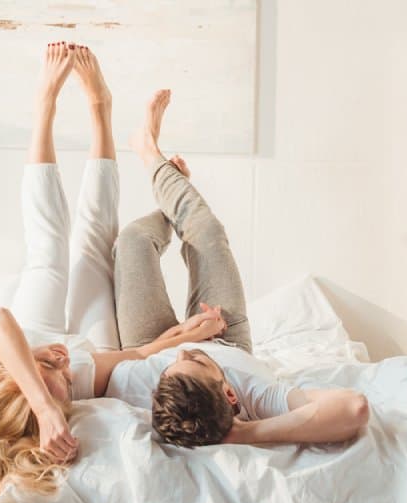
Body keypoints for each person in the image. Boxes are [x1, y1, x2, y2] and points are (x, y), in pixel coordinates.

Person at [0, 42, 223, 503]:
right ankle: (101, 110)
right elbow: (139, 354)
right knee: (93, 247)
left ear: (19, 383)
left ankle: (44, 105)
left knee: (48, 247)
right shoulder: (75, 381)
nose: (62, 363)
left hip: (28, 331)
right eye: (64, 382)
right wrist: (188, 335)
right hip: (85, 352)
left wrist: (45, 398)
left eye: (50, 369)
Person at [106, 89, 370, 448]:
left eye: (176, 365)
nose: (185, 353)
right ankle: (155, 160)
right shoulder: (256, 391)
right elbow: (354, 409)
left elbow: (120, 365)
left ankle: (166, 185)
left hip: (151, 344)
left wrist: (175, 344)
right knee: (208, 231)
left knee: (133, 241)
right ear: (231, 394)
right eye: (197, 361)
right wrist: (245, 432)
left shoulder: (141, 381)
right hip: (225, 333)